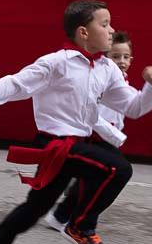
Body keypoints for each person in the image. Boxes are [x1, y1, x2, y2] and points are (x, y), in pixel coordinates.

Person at [0, 0, 152, 244]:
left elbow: (134, 107)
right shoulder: (56, 63)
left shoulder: (108, 69)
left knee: (36, 207)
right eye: (104, 25)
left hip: (77, 144)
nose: (111, 30)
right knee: (118, 168)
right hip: (53, 144)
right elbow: (14, 84)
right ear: (83, 33)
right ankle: (80, 226)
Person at [44, 30, 135, 231]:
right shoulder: (99, 78)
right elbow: (92, 112)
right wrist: (114, 134)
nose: (121, 61)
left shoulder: (121, 80)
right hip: (96, 134)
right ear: (106, 58)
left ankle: (62, 215)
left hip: (109, 135)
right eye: (116, 56)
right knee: (105, 175)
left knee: (94, 177)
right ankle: (69, 218)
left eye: (126, 57)